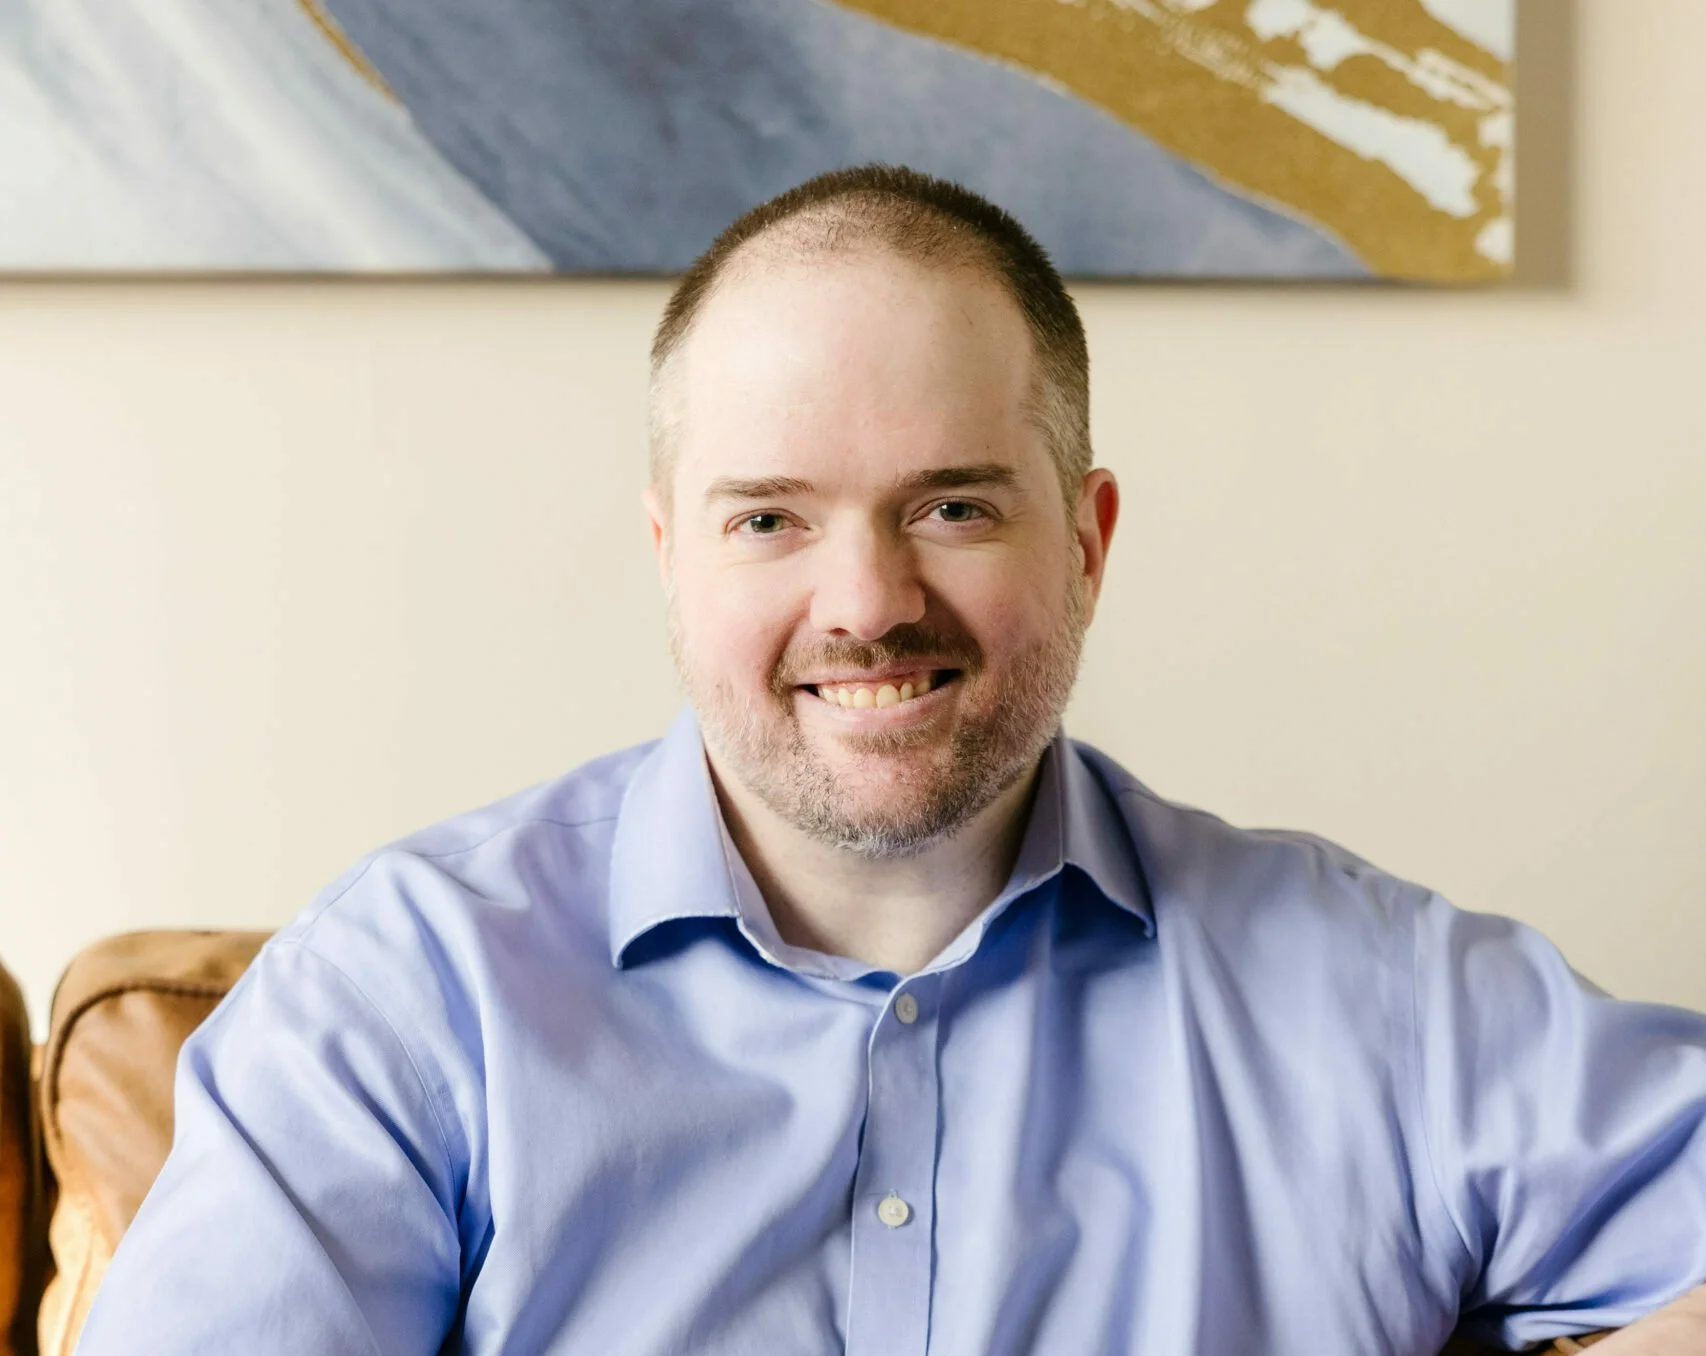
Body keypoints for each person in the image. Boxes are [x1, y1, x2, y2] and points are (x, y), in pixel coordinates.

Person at [76, 166, 1706, 1355]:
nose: (865, 604)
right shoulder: (410, 990)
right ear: (670, 555)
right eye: (770, 517)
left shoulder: (1378, 1000)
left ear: (1085, 539)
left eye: (952, 505)